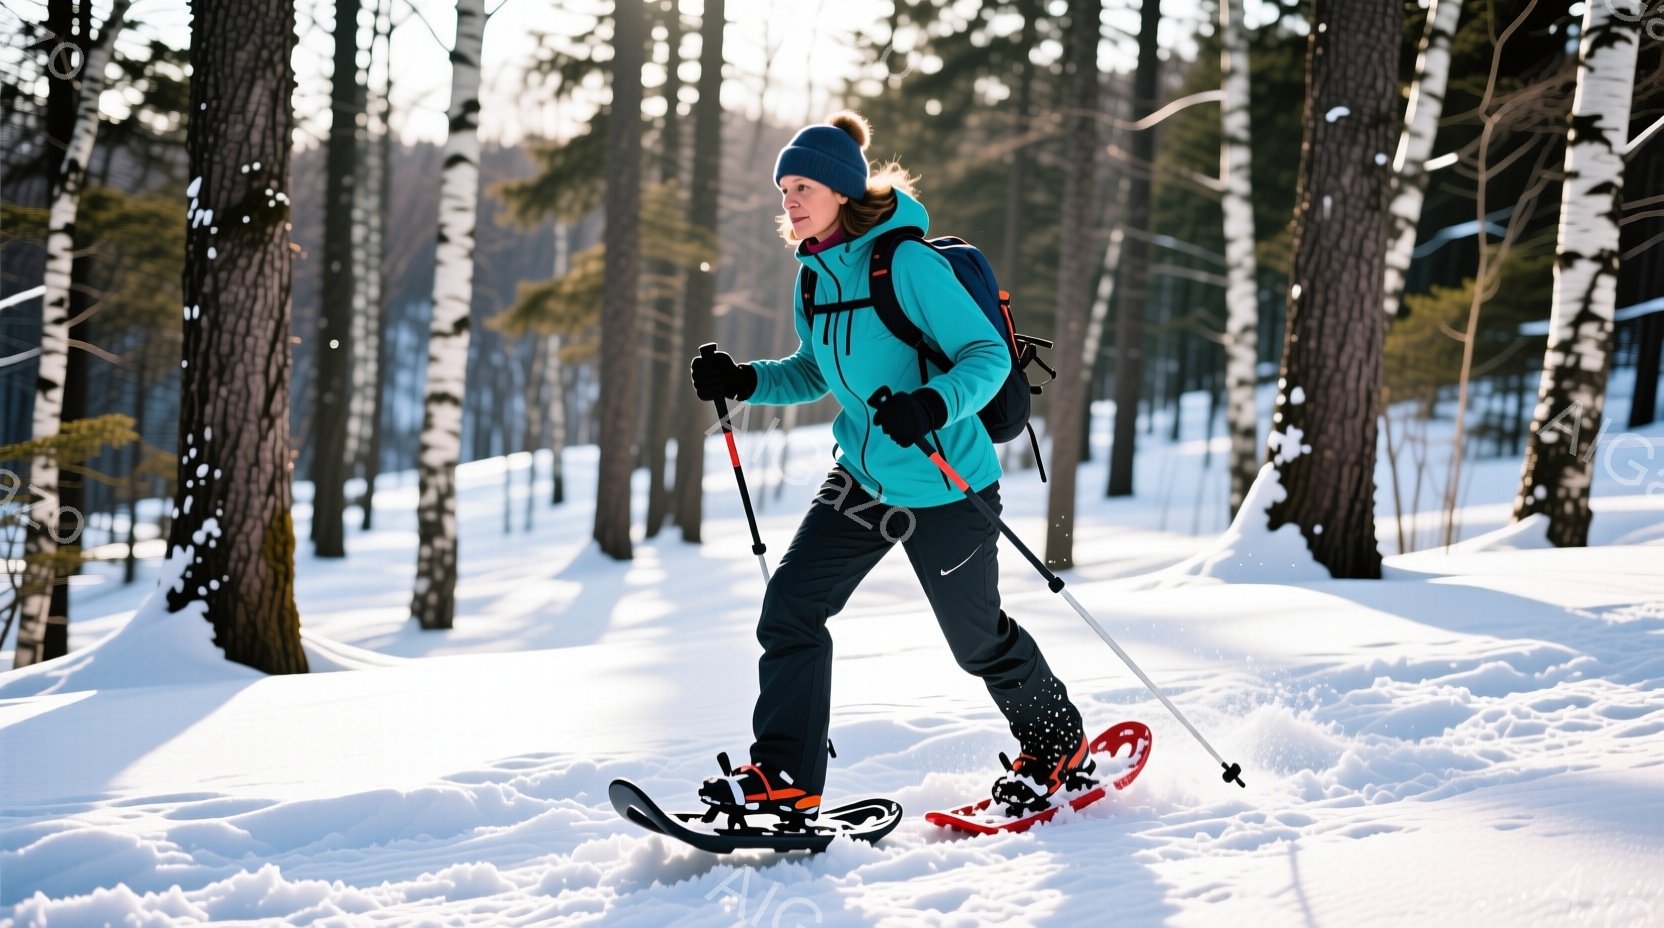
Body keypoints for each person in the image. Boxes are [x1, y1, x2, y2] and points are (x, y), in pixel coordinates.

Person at [688, 111, 1090, 822]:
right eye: (783, 187)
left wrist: (932, 405)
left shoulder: (907, 263)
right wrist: (745, 380)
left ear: (842, 190)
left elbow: (987, 357)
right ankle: (785, 776)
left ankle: (1056, 744)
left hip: (945, 483)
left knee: (977, 642)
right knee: (791, 608)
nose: (789, 199)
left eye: (802, 185)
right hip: (863, 482)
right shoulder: (812, 275)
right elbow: (814, 370)